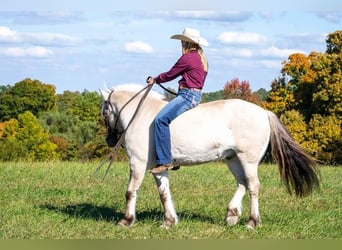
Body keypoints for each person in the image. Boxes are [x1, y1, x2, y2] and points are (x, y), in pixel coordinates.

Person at [147, 27, 209, 174]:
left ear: (186, 43)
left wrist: (155, 79)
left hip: (187, 96)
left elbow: (170, 74)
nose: (181, 44)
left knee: (160, 120)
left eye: (182, 41)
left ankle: (165, 161)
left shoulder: (188, 58)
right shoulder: (201, 58)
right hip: (195, 94)